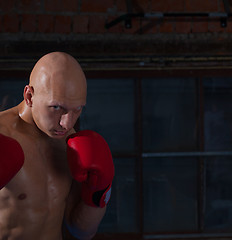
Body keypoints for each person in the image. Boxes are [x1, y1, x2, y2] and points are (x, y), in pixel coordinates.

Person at [0, 52, 114, 240]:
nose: (66, 124)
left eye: (77, 110)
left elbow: (82, 231)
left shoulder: (73, 145)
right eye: (56, 107)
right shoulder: (1, 135)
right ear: (29, 96)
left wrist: (99, 192)